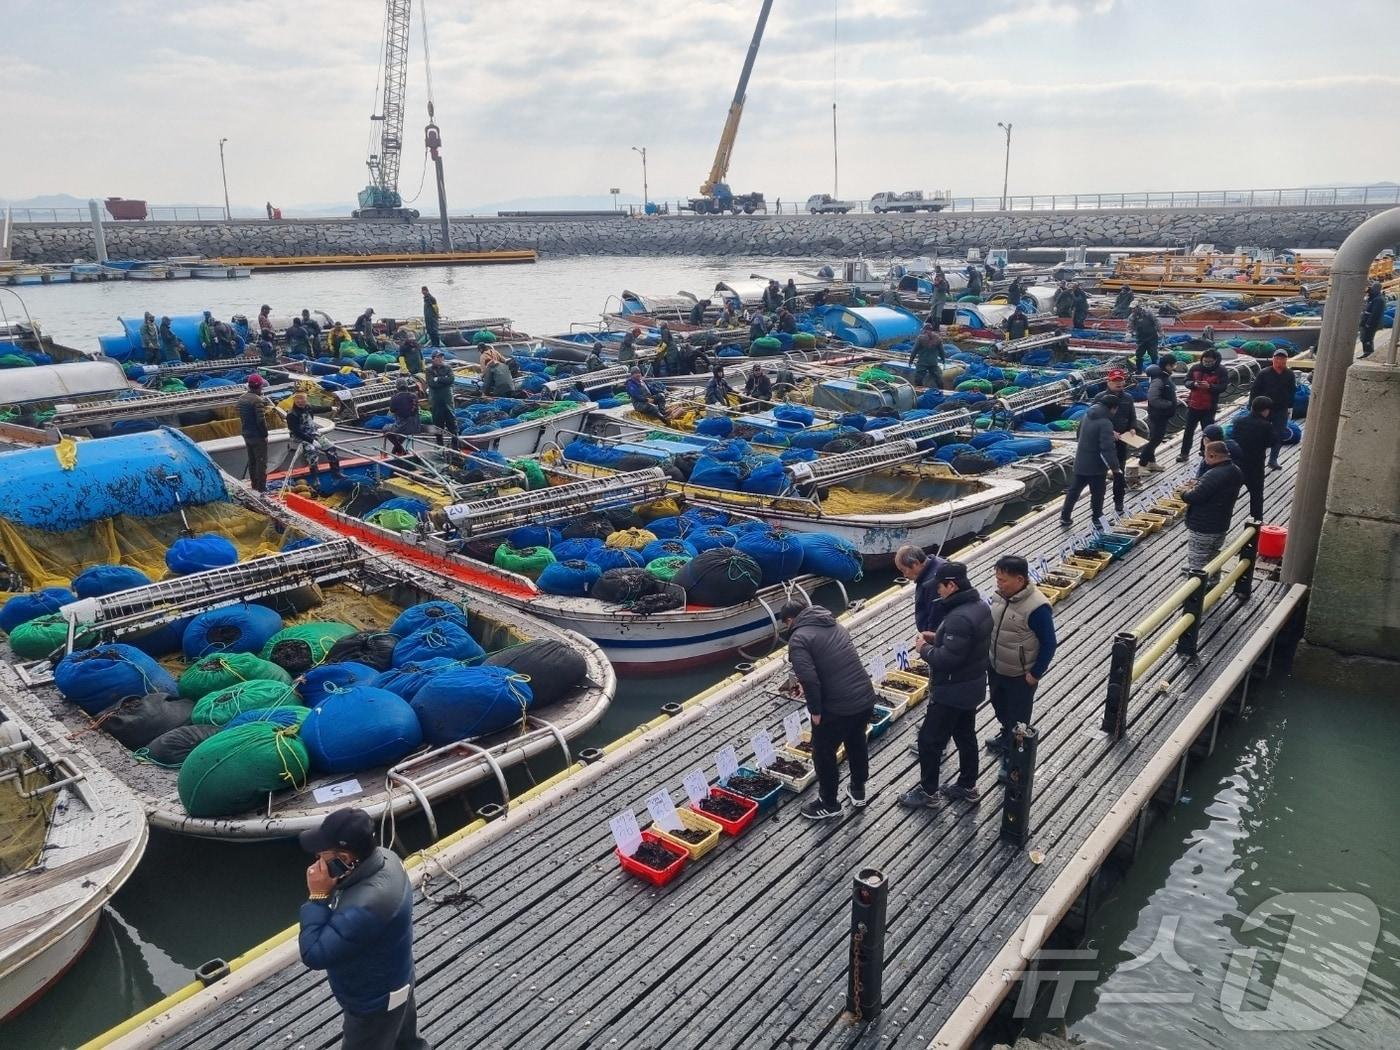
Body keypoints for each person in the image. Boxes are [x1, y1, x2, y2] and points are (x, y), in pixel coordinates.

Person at [298, 808, 428, 1050]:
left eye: (322, 856)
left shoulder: (365, 906)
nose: (317, 860)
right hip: (398, 979)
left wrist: (317, 896)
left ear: (345, 859)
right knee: (406, 1042)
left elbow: (314, 954)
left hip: (374, 1001)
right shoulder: (387, 859)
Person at [899, 562, 992, 808]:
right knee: (965, 736)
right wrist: (938, 637)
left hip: (951, 691)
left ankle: (928, 793)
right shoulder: (980, 605)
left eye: (939, 586)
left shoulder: (959, 617)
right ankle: (967, 786)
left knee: (929, 742)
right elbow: (963, 645)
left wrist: (924, 648)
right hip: (972, 686)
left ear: (951, 585)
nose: (937, 591)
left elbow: (947, 660)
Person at [778, 600, 878, 820]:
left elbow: (810, 679)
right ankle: (858, 790)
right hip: (864, 698)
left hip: (837, 706)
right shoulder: (835, 625)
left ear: (790, 620)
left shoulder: (798, 638)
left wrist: (815, 710)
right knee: (856, 741)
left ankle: (829, 803)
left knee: (823, 753)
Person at [986, 555, 1057, 774]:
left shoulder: (1037, 608)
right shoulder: (999, 597)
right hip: (997, 667)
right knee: (1000, 706)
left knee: (1019, 719)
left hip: (1020, 674)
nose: (999, 583)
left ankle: (1014, 760)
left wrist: (1035, 673)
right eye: (997, 578)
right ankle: (1006, 736)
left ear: (1019, 579)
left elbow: (1049, 643)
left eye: (1003, 580)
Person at [1060, 393, 1123, 529]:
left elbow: (1079, 434)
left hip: (1081, 460)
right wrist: (1115, 467)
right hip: (1096, 465)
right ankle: (1098, 519)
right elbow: (1107, 448)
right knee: (1098, 493)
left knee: (1074, 491)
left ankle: (1065, 517)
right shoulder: (1106, 422)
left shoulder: (1087, 414)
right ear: (1113, 408)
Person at [1180, 441, 1244, 570]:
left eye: (1205, 455)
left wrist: (1184, 491)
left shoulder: (1212, 475)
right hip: (1221, 523)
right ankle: (1213, 583)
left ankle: (1196, 587)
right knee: (1213, 557)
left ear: (1213, 456)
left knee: (1197, 560)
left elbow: (1193, 497)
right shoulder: (1236, 470)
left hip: (1204, 526)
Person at [1177, 347, 1227, 462]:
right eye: (1205, 361)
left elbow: (1223, 387)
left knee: (1208, 431)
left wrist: (1210, 387)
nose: (1207, 364)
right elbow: (1186, 381)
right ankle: (1184, 453)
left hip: (1209, 406)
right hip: (1193, 405)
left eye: (1210, 362)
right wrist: (1194, 384)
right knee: (1188, 430)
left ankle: (1204, 451)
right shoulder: (1195, 368)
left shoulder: (1221, 371)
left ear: (1215, 360)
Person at [1249, 349, 1296, 470]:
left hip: (1281, 409)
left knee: (1278, 434)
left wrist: (1290, 407)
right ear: (1273, 359)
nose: (1279, 360)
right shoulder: (1264, 373)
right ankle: (1258, 458)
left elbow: (1292, 391)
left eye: (1282, 358)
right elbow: (1254, 391)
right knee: (1259, 434)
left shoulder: (1290, 374)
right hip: (1263, 409)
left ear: (1286, 360)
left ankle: (1273, 460)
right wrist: (1252, 407)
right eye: (1277, 358)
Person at [1231, 397, 1274, 521]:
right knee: (1256, 495)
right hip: (1255, 464)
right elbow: (1271, 442)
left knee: (1231, 493)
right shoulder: (1266, 426)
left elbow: (1233, 436)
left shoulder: (1239, 421)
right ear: (1265, 410)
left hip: (1237, 463)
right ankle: (1257, 521)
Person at [286, 392, 342, 484]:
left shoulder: (308, 407)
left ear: (306, 399)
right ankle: (315, 478)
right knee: (312, 452)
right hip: (300, 436)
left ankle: (336, 474)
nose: (300, 401)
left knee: (330, 447)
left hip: (313, 432)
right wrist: (311, 441)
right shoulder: (292, 414)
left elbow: (318, 409)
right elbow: (296, 432)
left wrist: (331, 408)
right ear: (294, 400)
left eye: (302, 399)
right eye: (298, 399)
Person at [894, 544, 946, 641]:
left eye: (904, 570)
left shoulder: (931, 584)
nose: (904, 575)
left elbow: (936, 615)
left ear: (916, 563)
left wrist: (930, 641)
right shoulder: (940, 563)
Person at [1104, 368, 1137, 515]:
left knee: (1119, 471)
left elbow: (1132, 416)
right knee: (1099, 474)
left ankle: (1119, 502)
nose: (1119, 384)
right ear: (1108, 382)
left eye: (1120, 381)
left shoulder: (1128, 398)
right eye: (1115, 381)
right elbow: (1095, 419)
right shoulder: (1101, 398)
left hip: (1122, 440)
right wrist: (1109, 431)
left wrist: (1132, 428)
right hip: (1104, 441)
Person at [1138, 362, 1177, 472]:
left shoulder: (1164, 380)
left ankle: (1151, 462)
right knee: (1155, 439)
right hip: (1158, 415)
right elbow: (1153, 398)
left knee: (1155, 438)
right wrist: (1168, 404)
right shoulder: (1158, 381)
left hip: (1163, 415)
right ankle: (1142, 463)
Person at [238, 375, 270, 492]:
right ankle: (261, 488)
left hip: (246, 434)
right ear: (260, 386)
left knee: (252, 461)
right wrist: (265, 435)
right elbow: (261, 421)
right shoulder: (257, 400)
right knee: (261, 463)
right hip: (257, 436)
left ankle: (254, 485)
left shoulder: (242, 398)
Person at [425, 351, 459, 443]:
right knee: (438, 425)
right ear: (433, 359)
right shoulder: (429, 370)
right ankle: (439, 445)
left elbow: (451, 380)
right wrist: (444, 379)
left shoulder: (448, 368)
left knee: (452, 424)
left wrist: (438, 379)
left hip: (448, 401)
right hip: (436, 402)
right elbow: (432, 383)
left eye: (441, 357)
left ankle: (455, 445)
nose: (440, 359)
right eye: (438, 357)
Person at [386, 377, 422, 456]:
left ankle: (400, 449)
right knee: (405, 432)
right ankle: (396, 451)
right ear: (407, 386)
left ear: (397, 387)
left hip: (402, 426)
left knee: (386, 430)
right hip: (416, 426)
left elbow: (392, 410)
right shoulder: (414, 396)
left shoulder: (394, 398)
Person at [908, 324, 946, 388]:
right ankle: (941, 390)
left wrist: (911, 360)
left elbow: (914, 351)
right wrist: (943, 360)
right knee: (938, 378)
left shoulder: (920, 338)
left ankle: (919, 390)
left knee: (918, 378)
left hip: (922, 362)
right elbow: (942, 351)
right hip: (933, 362)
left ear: (924, 329)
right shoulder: (938, 338)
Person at [1129, 304, 1160, 373]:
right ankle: (1139, 370)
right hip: (1141, 339)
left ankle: (1155, 370)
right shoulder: (1132, 317)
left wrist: (1160, 331)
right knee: (1139, 355)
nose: (1132, 310)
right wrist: (1129, 333)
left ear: (1138, 307)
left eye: (1133, 308)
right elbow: (1130, 327)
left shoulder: (1148, 313)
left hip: (1152, 337)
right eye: (1131, 309)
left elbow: (1157, 322)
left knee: (1153, 354)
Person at [1359, 280, 1385, 357]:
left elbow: (1375, 314)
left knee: (1367, 338)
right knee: (1364, 338)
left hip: (1370, 323)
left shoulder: (1378, 300)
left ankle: (1368, 353)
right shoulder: (1374, 297)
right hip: (1366, 321)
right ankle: (1366, 352)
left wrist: (1368, 324)